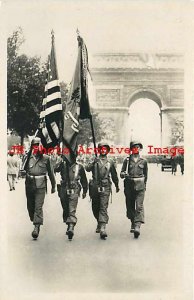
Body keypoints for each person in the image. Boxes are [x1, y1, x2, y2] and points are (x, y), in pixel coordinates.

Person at [85, 142, 119, 240]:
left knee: (103, 206)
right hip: (95, 186)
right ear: (99, 150)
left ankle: (103, 227)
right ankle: (99, 222)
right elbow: (87, 168)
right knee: (95, 207)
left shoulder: (110, 162)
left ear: (107, 150)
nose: (103, 150)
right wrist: (93, 162)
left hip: (105, 186)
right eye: (101, 148)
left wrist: (116, 185)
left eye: (105, 149)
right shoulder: (94, 159)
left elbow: (114, 175)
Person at [24, 137, 56, 239]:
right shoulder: (28, 157)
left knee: (38, 206)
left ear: (41, 146)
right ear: (32, 147)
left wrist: (53, 185)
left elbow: (51, 173)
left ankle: (36, 227)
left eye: (38, 145)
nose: (36, 147)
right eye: (34, 145)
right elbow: (23, 170)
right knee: (31, 207)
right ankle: (34, 219)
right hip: (29, 184)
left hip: (41, 185)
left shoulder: (46, 158)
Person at [55, 156, 88, 240]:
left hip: (74, 188)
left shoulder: (79, 167)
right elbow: (54, 169)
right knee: (65, 207)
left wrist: (85, 190)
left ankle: (71, 226)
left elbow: (84, 179)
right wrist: (59, 161)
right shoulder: (62, 165)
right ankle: (68, 222)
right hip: (63, 188)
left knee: (72, 208)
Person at [120, 141, 148, 239]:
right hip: (129, 186)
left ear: (140, 149)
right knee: (130, 205)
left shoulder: (143, 161)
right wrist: (124, 174)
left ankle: (137, 226)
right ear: (131, 149)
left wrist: (144, 186)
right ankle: (132, 222)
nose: (136, 149)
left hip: (140, 187)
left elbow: (146, 175)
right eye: (134, 147)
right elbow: (121, 173)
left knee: (139, 206)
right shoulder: (127, 161)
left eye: (138, 147)